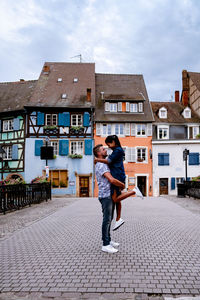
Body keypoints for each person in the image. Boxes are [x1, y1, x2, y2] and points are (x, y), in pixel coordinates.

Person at [95, 135, 143, 231]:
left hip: (117, 175)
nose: (108, 146)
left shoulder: (118, 150)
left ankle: (133, 191)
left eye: (108, 144)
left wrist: (97, 160)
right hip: (118, 175)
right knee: (118, 197)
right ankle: (118, 219)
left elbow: (108, 161)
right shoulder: (116, 151)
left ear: (113, 141)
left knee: (115, 199)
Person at [93, 144, 126, 253]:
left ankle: (108, 240)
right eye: (103, 149)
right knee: (107, 220)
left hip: (108, 194)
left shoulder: (103, 163)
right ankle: (105, 244)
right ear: (98, 153)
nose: (105, 149)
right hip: (105, 196)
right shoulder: (101, 165)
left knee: (109, 219)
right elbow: (111, 180)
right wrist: (122, 185)